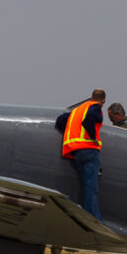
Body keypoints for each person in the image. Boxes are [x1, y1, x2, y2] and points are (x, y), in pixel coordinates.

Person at [56, 89, 105, 220]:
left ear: (91, 97)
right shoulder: (95, 107)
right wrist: (93, 137)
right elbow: (88, 119)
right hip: (89, 150)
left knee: (86, 185)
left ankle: (86, 213)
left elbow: (60, 120)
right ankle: (93, 218)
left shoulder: (77, 110)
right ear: (103, 101)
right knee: (92, 187)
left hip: (76, 153)